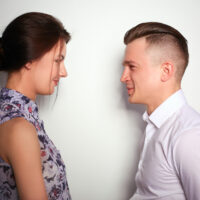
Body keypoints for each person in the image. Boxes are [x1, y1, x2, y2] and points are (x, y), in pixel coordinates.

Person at [121, 22, 200, 200]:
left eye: (132, 67)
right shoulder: (155, 125)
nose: (123, 77)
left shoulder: (189, 137)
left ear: (165, 71)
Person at [0, 12, 71, 199]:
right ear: (29, 60)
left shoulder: (18, 116)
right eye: (58, 60)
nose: (64, 72)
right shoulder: (19, 127)